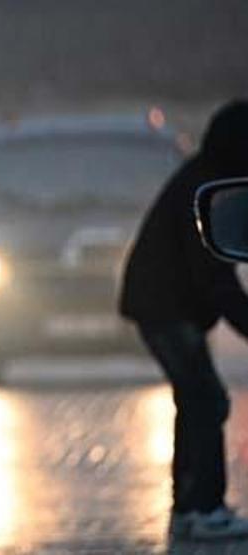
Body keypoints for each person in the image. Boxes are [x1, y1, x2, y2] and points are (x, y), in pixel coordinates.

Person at [120, 100, 248, 541]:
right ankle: (204, 508)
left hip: (159, 305)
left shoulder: (204, 177)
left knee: (195, 400)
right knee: (207, 400)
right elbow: (215, 273)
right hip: (166, 309)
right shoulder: (210, 187)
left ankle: (190, 505)